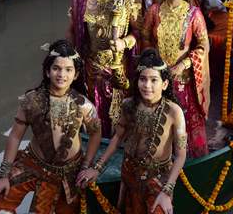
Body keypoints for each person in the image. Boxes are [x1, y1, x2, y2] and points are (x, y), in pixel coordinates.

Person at [0, 40, 102, 214]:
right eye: (56, 68)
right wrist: (3, 175)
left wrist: (88, 166)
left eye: (68, 70)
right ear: (47, 71)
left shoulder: (84, 105)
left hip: (70, 172)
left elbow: (95, 134)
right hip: (33, 165)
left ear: (76, 74)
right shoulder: (31, 101)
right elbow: (15, 136)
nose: (61, 74)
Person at [76, 49, 187, 214]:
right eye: (143, 79)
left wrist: (167, 190)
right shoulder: (128, 105)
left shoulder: (174, 112)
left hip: (158, 178)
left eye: (153, 80)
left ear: (164, 84)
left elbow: (181, 154)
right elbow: (117, 138)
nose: (147, 85)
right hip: (129, 174)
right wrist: (97, 168)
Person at [69, 0, 141, 138]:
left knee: (119, 113)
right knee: (93, 111)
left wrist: (124, 42)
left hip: (118, 68)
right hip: (91, 66)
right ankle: (95, 147)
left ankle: (117, 148)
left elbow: (138, 32)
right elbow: (74, 30)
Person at [142, 0, 210, 158]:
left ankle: (185, 160)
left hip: (182, 80)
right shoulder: (154, 10)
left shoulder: (193, 14)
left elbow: (203, 45)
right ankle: (157, 157)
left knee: (182, 123)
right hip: (157, 79)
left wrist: (184, 64)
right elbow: (144, 37)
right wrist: (152, 60)